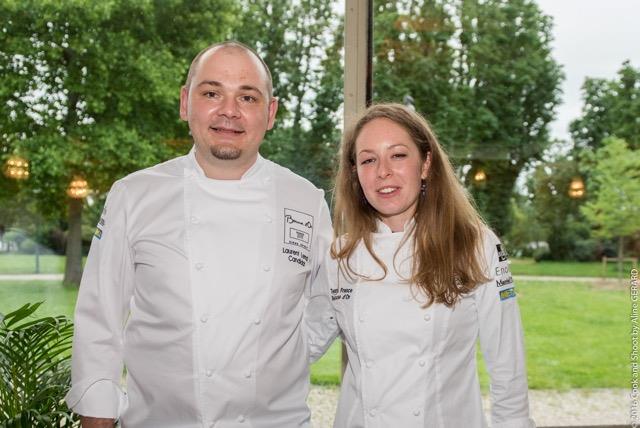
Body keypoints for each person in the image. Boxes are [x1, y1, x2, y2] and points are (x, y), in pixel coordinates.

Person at [65, 41, 332, 428]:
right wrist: (97, 414)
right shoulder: (134, 195)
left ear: (270, 113)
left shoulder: (305, 200)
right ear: (185, 102)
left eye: (248, 97)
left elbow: (328, 300)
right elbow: (99, 316)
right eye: (211, 93)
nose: (229, 111)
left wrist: (278, 356)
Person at [305, 103, 535, 427]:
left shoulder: (475, 245)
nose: (383, 171)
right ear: (356, 174)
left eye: (398, 155)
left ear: (426, 164)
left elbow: (507, 365)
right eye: (368, 160)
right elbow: (302, 345)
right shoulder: (341, 256)